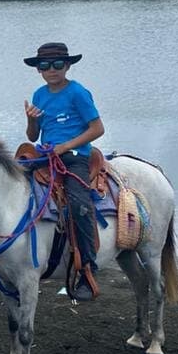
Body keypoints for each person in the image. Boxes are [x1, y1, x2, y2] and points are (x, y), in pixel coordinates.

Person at [23, 41, 105, 301]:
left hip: (75, 158)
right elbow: (33, 135)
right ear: (38, 70)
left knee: (80, 205)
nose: (52, 70)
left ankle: (87, 269)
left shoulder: (78, 93)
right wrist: (31, 119)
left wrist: (65, 147)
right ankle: (11, 256)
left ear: (67, 65)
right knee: (9, 182)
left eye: (58, 64)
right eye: (45, 66)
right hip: (45, 154)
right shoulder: (39, 95)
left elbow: (97, 129)